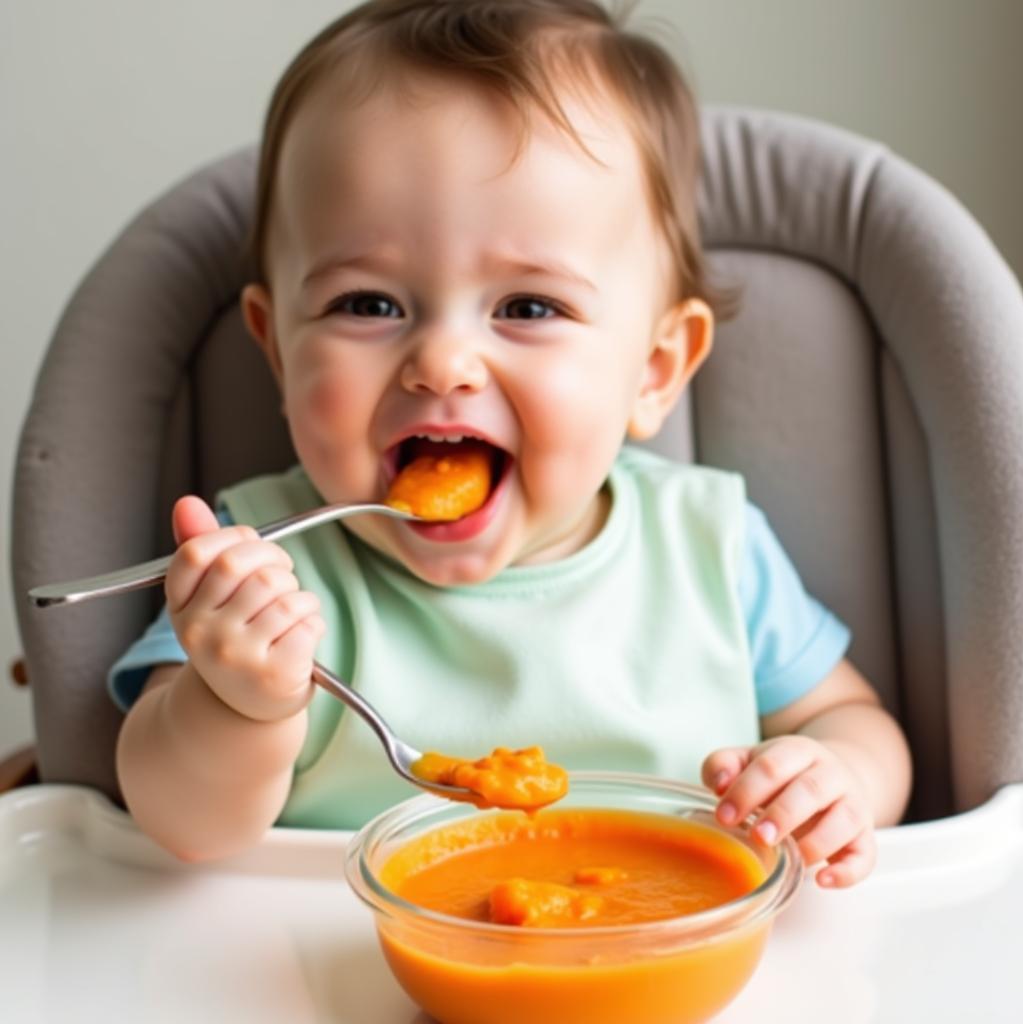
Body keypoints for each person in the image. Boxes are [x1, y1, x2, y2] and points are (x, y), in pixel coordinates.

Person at [110, 0, 912, 884]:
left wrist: (837, 780)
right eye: (368, 304)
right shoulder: (261, 570)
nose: (443, 362)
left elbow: (852, 720)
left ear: (653, 369)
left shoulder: (708, 548)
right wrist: (238, 707)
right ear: (276, 347)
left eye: (529, 307)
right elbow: (177, 823)